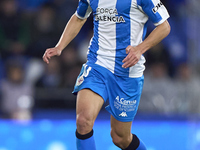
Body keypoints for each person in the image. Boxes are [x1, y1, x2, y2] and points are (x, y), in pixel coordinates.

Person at [43, 0, 170, 149]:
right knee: (83, 121)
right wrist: (60, 46)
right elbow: (79, 17)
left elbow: (164, 27)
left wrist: (140, 49)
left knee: (120, 138)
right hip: (97, 64)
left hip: (127, 71)